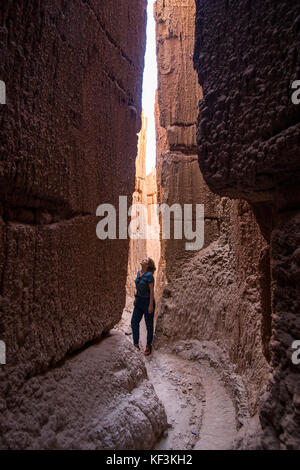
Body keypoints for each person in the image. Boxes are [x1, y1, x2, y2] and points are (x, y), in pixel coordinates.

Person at [131, 257, 156, 356]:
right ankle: (136, 344)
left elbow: (151, 291)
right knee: (134, 321)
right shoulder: (138, 273)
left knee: (148, 325)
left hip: (147, 302)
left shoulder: (149, 276)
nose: (143, 260)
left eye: (145, 260)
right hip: (139, 301)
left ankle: (148, 345)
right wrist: (136, 298)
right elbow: (138, 287)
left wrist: (150, 305)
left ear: (148, 265)